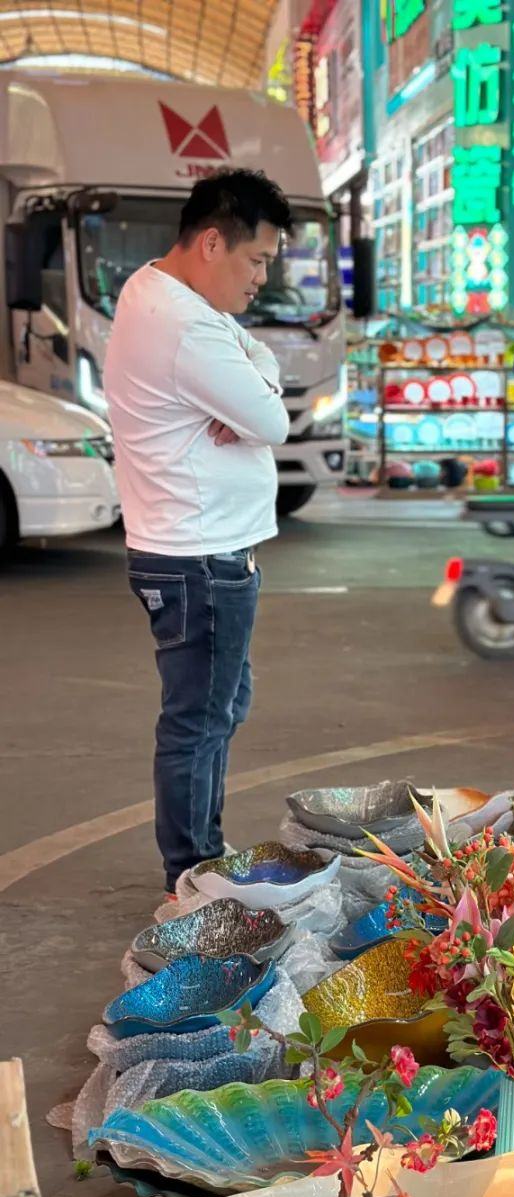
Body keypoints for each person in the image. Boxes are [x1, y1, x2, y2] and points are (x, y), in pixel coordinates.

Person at [104, 169, 292, 898]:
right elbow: (273, 421)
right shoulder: (184, 325)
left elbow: (262, 373)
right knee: (199, 719)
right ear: (213, 243)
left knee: (219, 706)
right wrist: (253, 397)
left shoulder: (162, 292)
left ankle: (199, 856)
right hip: (198, 557)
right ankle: (191, 871)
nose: (261, 279)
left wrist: (253, 376)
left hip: (195, 550)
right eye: (257, 260)